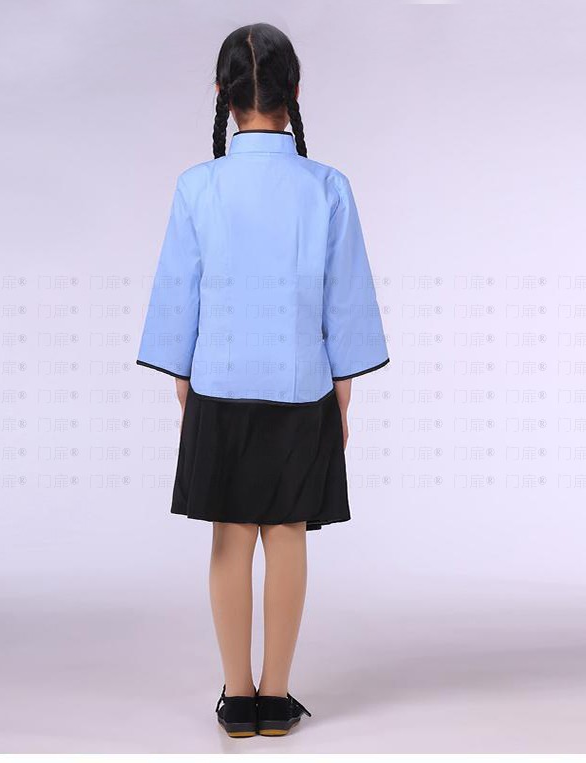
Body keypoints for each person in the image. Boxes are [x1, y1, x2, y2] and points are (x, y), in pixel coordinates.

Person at [136, 22, 389, 738]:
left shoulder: (198, 186)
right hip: (303, 385)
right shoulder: (327, 187)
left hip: (218, 384)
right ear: (294, 92)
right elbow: (345, 301)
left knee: (230, 535)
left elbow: (179, 294)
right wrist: (342, 397)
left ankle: (238, 696)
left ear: (222, 94)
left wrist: (186, 388)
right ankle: (276, 699)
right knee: (286, 533)